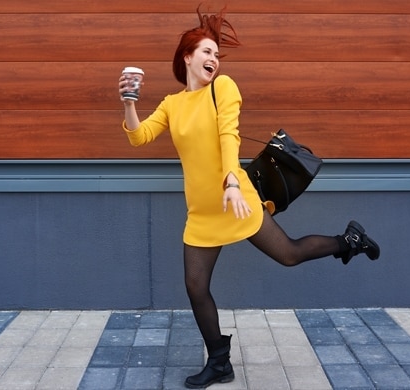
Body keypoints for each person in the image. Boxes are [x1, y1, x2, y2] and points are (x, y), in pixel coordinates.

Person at [118, 6, 380, 389]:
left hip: (234, 198)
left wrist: (232, 183)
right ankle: (220, 362)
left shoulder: (223, 88)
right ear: (187, 57)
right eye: (206, 51)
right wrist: (128, 101)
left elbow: (230, 136)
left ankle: (349, 240)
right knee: (195, 287)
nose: (213, 58)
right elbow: (139, 136)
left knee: (288, 255)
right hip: (203, 212)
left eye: (216, 54)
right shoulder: (173, 105)